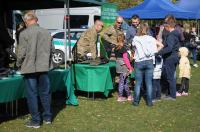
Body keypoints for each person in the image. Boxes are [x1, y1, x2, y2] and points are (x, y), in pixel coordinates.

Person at [16, 12, 54, 128]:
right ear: (36, 20)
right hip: (43, 67)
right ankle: (47, 117)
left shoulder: (24, 33)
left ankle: (36, 121)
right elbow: (52, 50)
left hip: (30, 67)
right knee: (45, 93)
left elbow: (21, 53)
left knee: (32, 94)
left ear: (27, 21)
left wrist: (18, 64)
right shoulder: (47, 32)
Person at [132, 23, 163, 106]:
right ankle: (149, 102)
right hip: (149, 61)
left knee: (138, 83)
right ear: (147, 29)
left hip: (139, 61)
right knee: (149, 82)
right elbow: (161, 45)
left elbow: (134, 48)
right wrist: (154, 52)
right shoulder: (151, 38)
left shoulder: (136, 38)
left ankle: (136, 102)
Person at [156, 15, 180, 100]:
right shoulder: (176, 33)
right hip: (174, 57)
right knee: (171, 76)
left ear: (168, 26)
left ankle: (172, 95)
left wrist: (158, 52)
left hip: (170, 58)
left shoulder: (171, 35)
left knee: (170, 77)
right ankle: (170, 93)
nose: (164, 28)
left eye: (165, 26)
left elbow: (169, 48)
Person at [114, 33, 133, 102]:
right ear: (124, 39)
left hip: (118, 67)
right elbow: (126, 60)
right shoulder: (123, 49)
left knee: (124, 82)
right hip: (124, 67)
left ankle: (129, 96)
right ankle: (120, 96)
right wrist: (130, 68)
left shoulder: (115, 48)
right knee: (122, 82)